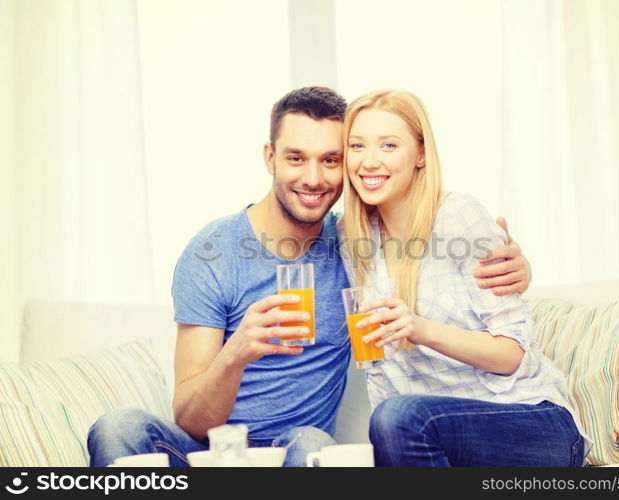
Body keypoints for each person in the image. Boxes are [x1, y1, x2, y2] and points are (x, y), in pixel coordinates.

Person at [87, 87, 533, 467]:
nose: (313, 178)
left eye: (331, 160)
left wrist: (513, 260)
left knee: (316, 445)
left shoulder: (354, 243)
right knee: (117, 428)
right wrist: (236, 352)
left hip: (296, 452)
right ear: (270, 157)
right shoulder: (212, 253)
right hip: (213, 455)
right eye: (296, 158)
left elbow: (431, 242)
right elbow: (189, 419)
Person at [339, 89, 590, 467]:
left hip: (531, 422)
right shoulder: (351, 236)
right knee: (391, 423)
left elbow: (513, 355)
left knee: (397, 419)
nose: (369, 162)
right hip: (429, 436)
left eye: (388, 145)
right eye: (357, 146)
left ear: (421, 154)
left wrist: (419, 329)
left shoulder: (458, 216)